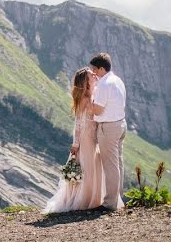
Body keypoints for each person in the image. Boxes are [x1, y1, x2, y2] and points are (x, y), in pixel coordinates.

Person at [43, 68, 105, 213]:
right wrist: (76, 143)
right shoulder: (84, 98)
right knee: (87, 167)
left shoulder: (94, 94)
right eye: (92, 75)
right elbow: (78, 122)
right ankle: (83, 200)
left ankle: (94, 198)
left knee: (93, 165)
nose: (95, 75)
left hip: (94, 136)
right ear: (86, 81)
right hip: (86, 136)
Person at [89, 52, 126, 210]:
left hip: (108, 127)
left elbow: (97, 110)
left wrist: (89, 100)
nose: (94, 73)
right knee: (118, 163)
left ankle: (110, 203)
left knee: (110, 166)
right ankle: (117, 198)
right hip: (120, 124)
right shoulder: (117, 80)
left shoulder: (104, 84)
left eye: (95, 70)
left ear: (102, 69)